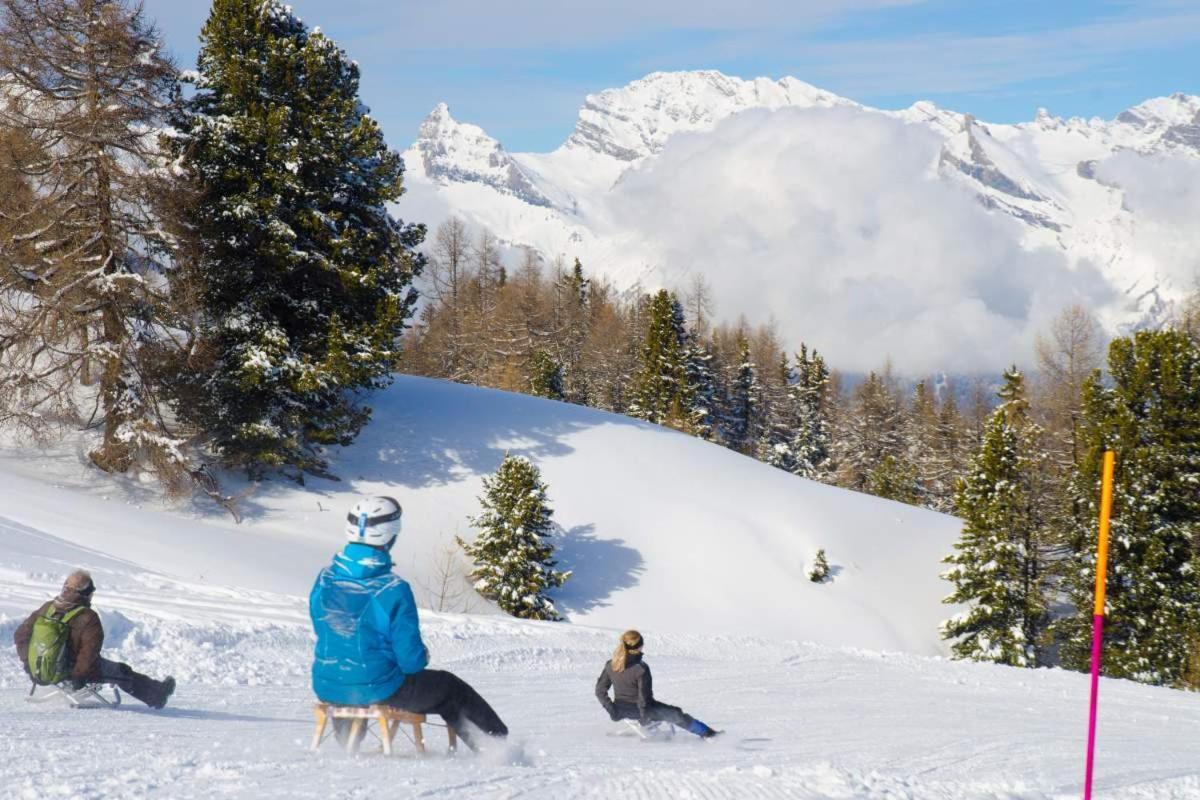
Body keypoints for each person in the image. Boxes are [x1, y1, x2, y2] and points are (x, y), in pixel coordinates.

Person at [309, 496, 508, 751]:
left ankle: (349, 747)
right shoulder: (392, 589)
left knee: (354, 680)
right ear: (390, 535)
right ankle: (497, 746)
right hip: (380, 688)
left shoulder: (324, 579)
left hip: (326, 684)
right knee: (449, 688)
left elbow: (325, 630)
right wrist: (421, 655)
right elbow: (410, 661)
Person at [13, 569, 176, 708]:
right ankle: (157, 695)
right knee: (122, 671)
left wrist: (29, 664)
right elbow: (89, 652)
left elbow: (21, 635)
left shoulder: (48, 607)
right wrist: (79, 676)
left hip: (42, 669)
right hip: (73, 672)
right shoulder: (87, 617)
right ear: (86, 593)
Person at [595, 629, 719, 738]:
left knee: (671, 710)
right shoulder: (641, 668)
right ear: (639, 646)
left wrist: (612, 710)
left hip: (621, 710)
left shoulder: (611, 664)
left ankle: (707, 733)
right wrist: (644, 717)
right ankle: (709, 734)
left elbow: (599, 690)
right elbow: (644, 698)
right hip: (641, 712)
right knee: (676, 713)